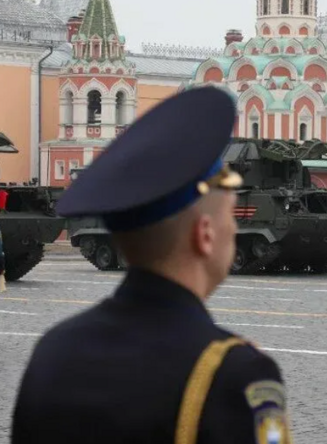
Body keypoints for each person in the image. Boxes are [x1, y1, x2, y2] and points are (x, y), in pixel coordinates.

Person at [11, 87, 294, 444]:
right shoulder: (233, 374)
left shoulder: (54, 351)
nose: (235, 229)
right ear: (204, 234)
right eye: (229, 217)